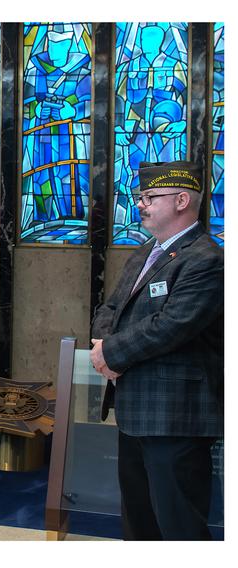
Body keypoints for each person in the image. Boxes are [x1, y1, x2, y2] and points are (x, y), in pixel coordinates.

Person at [90, 160, 223, 540]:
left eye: (150, 197)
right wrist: (103, 344)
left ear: (182, 200)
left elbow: (170, 326)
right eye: (139, 197)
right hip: (136, 413)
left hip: (175, 417)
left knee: (178, 528)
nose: (141, 205)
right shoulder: (148, 252)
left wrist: (111, 353)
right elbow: (111, 306)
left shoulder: (206, 259)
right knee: (139, 525)